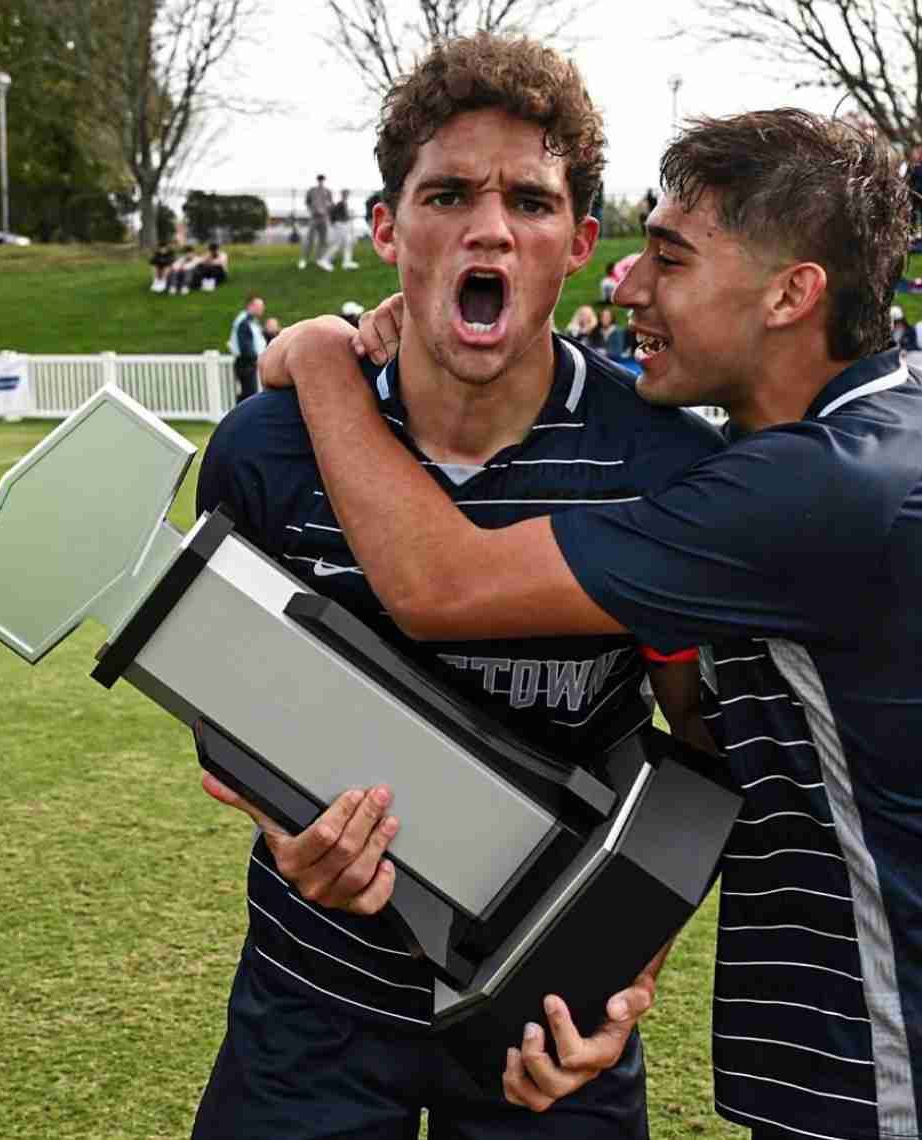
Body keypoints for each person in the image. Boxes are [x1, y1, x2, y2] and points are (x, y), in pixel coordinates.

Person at [264, 107, 922, 1140]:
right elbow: (713, 751)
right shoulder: (908, 426)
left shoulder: (827, 489)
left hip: (911, 1061)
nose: (630, 288)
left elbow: (436, 585)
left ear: (790, 294)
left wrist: (321, 357)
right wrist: (616, 974)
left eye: (670, 258)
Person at [192, 32, 724, 1140]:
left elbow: (704, 753)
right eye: (447, 195)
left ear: (579, 243)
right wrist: (286, 823)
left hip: (546, 1017)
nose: (489, 228)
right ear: (388, 229)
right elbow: (223, 702)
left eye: (529, 201)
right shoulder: (266, 449)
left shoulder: (665, 465)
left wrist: (628, 968)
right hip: (313, 999)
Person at [226, 293, 266, 402]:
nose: (262, 309)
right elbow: (245, 347)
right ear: (250, 306)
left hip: (248, 364)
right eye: (259, 306)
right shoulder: (244, 322)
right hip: (246, 365)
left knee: (247, 397)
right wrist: (257, 359)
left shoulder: (250, 321)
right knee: (248, 398)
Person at [300, 173, 334, 270]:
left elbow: (331, 203)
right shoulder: (312, 190)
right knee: (310, 239)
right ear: (317, 180)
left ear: (324, 180)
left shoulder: (328, 191)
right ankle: (304, 259)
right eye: (319, 180)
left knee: (322, 240)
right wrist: (312, 210)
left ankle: (319, 259)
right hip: (314, 218)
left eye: (322, 180)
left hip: (324, 218)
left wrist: (327, 208)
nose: (321, 181)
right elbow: (307, 202)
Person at [324, 187, 360, 269]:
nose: (347, 195)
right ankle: (326, 259)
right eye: (345, 193)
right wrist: (335, 223)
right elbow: (333, 215)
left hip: (344, 225)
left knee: (348, 243)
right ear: (343, 194)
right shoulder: (340, 203)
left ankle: (346, 262)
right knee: (338, 244)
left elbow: (343, 215)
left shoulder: (343, 203)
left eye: (347, 194)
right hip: (341, 225)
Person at [907, 141, 922, 242]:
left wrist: (915, 189)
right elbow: (908, 178)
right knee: (912, 214)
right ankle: (912, 233)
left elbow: (921, 178)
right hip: (913, 193)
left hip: (921, 193)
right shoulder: (911, 165)